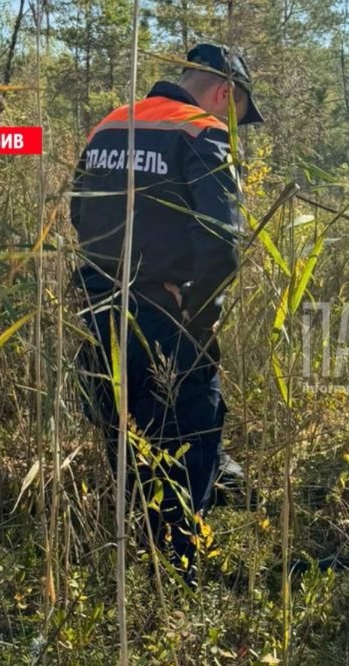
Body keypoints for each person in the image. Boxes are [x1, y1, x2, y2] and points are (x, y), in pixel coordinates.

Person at [70, 43, 263, 583]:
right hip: (165, 316)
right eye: (240, 112)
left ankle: (129, 546)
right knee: (192, 429)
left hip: (96, 309)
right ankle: (178, 571)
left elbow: (77, 214)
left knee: (120, 430)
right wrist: (200, 321)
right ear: (226, 92)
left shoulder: (108, 125)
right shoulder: (203, 130)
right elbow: (223, 243)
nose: (235, 123)